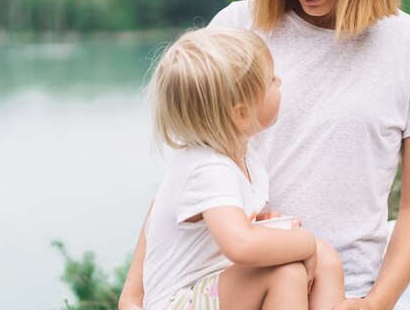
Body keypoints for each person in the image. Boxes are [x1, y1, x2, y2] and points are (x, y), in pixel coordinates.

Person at [121, 0, 410, 309]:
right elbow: (189, 178)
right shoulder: (235, 29)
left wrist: (376, 303)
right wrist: (133, 294)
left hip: (342, 290)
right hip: (232, 289)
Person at [131, 26, 345, 310]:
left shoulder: (241, 156)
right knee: (284, 271)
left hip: (209, 289)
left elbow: (226, 234)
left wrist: (257, 224)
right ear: (240, 114)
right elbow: (240, 246)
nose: (279, 81)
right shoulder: (208, 168)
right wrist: (302, 242)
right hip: (177, 302)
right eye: (270, 81)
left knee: (325, 255)